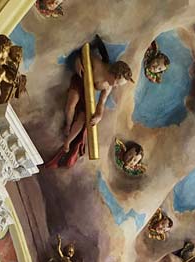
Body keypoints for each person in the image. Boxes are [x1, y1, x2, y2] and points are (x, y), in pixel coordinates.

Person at [45, 36, 133, 169]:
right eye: (117, 82)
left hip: (88, 96)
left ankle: (68, 142)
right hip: (79, 83)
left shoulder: (107, 86)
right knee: (70, 105)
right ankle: (68, 125)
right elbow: (81, 55)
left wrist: (99, 116)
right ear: (114, 74)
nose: (115, 86)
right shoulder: (98, 64)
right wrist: (78, 63)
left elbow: (101, 103)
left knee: (83, 120)